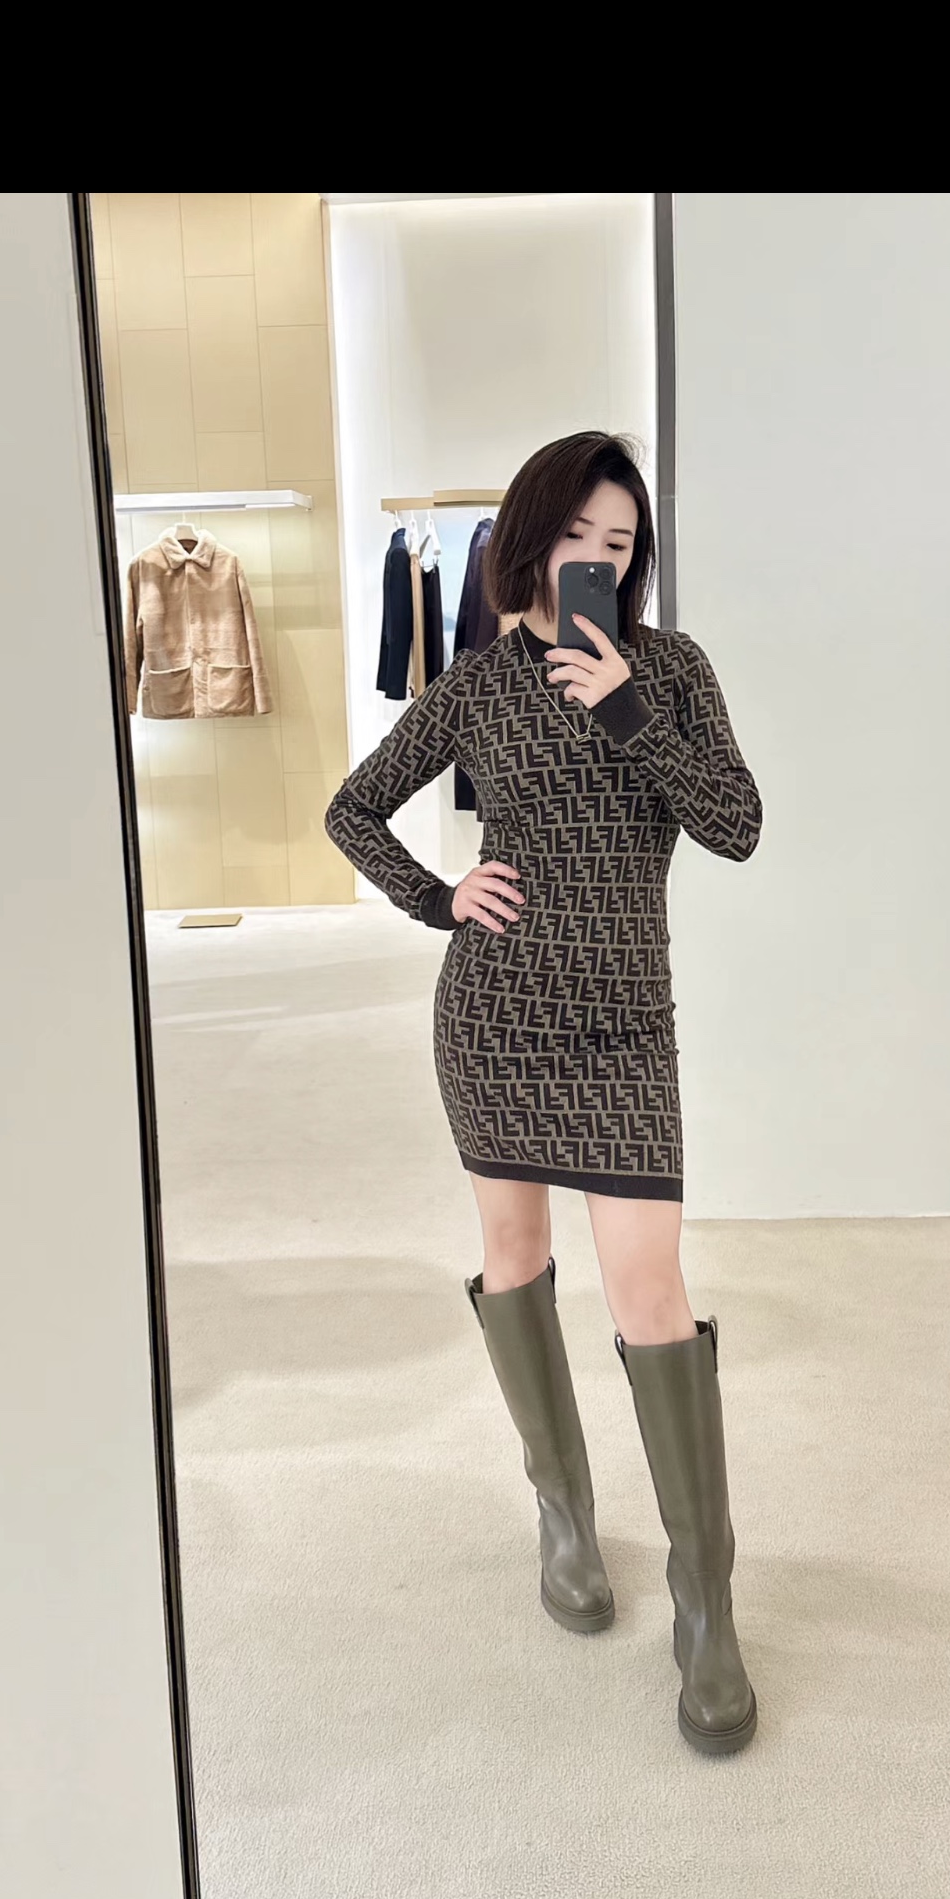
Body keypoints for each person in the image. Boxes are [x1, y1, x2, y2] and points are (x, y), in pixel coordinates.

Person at [324, 432, 763, 1755]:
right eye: (578, 538)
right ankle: (564, 1518)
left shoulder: (670, 671)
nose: (597, 562)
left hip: (625, 1028)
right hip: (498, 1017)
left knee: (649, 1295)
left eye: (618, 547)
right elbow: (353, 810)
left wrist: (625, 705)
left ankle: (705, 1609)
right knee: (512, 1259)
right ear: (530, 535)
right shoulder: (473, 684)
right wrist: (439, 896)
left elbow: (734, 824)